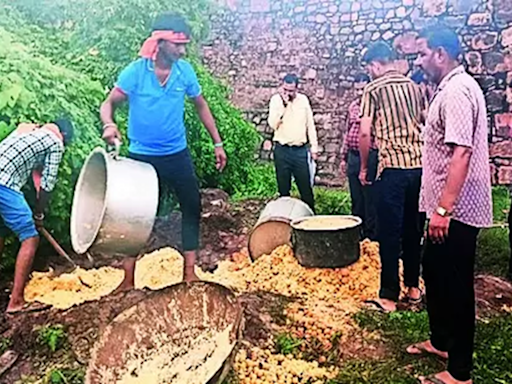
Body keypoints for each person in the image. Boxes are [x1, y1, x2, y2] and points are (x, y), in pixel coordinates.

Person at [100, 13, 227, 289]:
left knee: (192, 205)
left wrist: (217, 142)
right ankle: (128, 278)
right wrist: (109, 125)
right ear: (159, 42)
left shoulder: (185, 73)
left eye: (184, 45)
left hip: (176, 154)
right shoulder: (135, 72)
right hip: (142, 156)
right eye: (177, 45)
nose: (182, 51)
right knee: (133, 214)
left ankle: (189, 273)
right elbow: (108, 104)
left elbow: (201, 105)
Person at [407, 26, 493, 384]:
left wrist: (443, 210)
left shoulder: (457, 91)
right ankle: (442, 340)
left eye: (422, 53)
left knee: (456, 284)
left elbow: (462, 152)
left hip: (456, 208)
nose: (418, 60)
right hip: (444, 205)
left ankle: (459, 373)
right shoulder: (449, 88)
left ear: (440, 54)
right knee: (435, 272)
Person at [359, 41, 425, 313]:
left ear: (375, 64)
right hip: (419, 167)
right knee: (413, 229)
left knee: (389, 232)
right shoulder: (413, 87)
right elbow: (424, 120)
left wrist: (364, 168)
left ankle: (388, 296)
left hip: (392, 168)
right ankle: (413, 288)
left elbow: (364, 133)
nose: (369, 73)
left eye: (368, 68)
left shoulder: (372, 89)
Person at [0, 119, 74, 314]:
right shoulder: (55, 142)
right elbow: (47, 184)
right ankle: (15, 301)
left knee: (0, 232)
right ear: (64, 137)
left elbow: (36, 172)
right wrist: (39, 212)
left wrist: (37, 203)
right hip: (3, 184)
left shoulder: (27, 130)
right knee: (30, 238)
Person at [268, 74, 318, 211]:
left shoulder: (303, 100)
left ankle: (311, 221)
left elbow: (310, 124)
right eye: (285, 90)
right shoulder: (275, 101)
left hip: (300, 151)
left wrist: (314, 147)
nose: (288, 93)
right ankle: (285, 221)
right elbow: (272, 124)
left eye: (291, 91)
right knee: (284, 190)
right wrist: (284, 106)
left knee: (306, 189)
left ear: (297, 88)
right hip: (282, 150)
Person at [340, 73, 378, 240]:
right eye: (357, 90)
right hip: (353, 157)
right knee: (356, 198)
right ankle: (357, 233)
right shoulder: (353, 106)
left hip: (369, 156)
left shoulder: (376, 108)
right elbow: (347, 131)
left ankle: (371, 237)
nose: (360, 93)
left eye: (363, 89)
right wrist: (344, 157)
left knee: (370, 198)